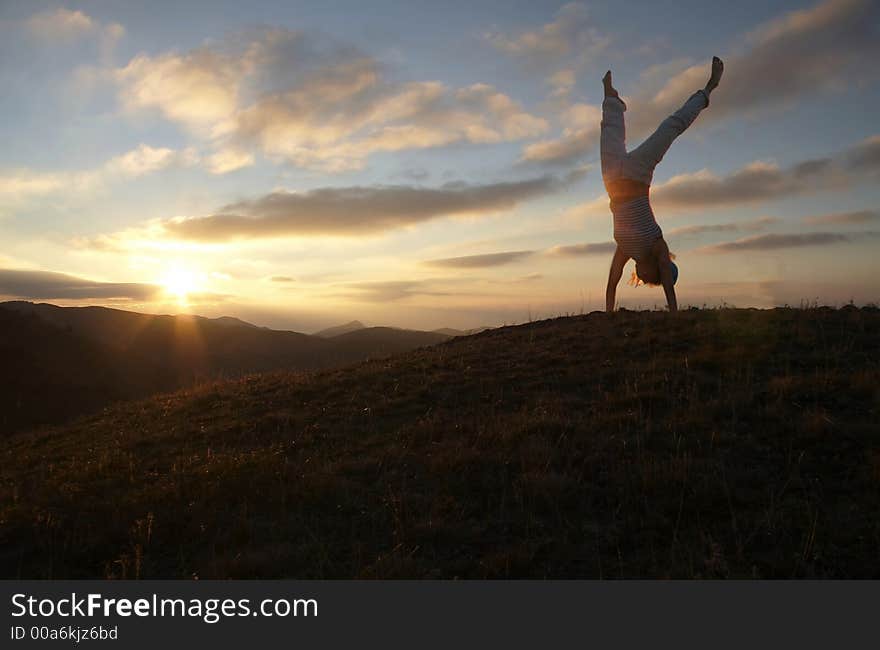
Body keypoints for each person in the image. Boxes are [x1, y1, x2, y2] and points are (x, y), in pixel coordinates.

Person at [603, 56, 724, 312]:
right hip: (638, 173)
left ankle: (612, 100)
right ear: (661, 268)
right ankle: (708, 89)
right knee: (671, 126)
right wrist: (674, 313)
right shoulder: (657, 246)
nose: (641, 277)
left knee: (610, 130)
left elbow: (612, 281)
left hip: (612, 179)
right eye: (650, 278)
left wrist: (609, 314)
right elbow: (669, 286)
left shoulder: (627, 249)